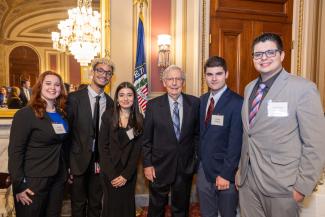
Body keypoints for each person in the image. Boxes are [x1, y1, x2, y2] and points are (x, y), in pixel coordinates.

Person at [237, 33, 325, 217]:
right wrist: (240, 171)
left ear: (282, 55)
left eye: (270, 52)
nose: (264, 58)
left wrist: (302, 187)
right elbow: (249, 135)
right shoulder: (249, 88)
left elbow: (316, 144)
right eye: (258, 54)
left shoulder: (303, 89)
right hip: (248, 183)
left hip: (283, 186)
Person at [8, 71, 69, 217]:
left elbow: (63, 145)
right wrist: (19, 185)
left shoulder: (62, 114)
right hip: (33, 181)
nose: (53, 87)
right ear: (40, 86)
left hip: (58, 179)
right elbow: (15, 151)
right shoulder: (25, 114)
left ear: (61, 89)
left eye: (57, 84)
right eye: (48, 83)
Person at [142, 65, 200, 217]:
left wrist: (195, 161)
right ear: (164, 82)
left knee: (181, 208)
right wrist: (147, 165)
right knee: (156, 207)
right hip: (159, 166)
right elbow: (146, 139)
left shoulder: (194, 104)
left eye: (178, 79)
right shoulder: (153, 106)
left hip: (185, 166)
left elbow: (197, 135)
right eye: (170, 79)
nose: (174, 83)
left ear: (183, 82)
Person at [67, 57, 114, 217]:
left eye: (108, 73)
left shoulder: (110, 103)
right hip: (78, 161)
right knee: (78, 204)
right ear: (92, 72)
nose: (104, 75)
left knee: (96, 203)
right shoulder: (74, 98)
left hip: (99, 162)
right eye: (100, 70)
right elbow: (68, 133)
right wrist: (68, 164)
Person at [197, 56, 243, 217]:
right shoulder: (202, 101)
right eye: (210, 74)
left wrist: (226, 174)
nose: (214, 78)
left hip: (225, 173)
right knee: (207, 213)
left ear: (227, 74)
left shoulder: (237, 103)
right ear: (205, 76)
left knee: (227, 214)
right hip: (204, 171)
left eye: (219, 73)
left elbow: (236, 142)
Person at [99, 82, 143, 217]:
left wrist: (126, 175)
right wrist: (112, 174)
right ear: (117, 98)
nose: (125, 98)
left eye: (129, 95)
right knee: (111, 206)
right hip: (110, 170)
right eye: (121, 95)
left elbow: (137, 150)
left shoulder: (139, 119)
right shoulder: (108, 116)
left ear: (134, 98)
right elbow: (103, 147)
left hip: (128, 172)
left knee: (126, 206)